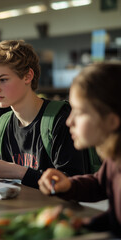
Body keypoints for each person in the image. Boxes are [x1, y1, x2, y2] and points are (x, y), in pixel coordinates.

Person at [0, 40, 89, 189]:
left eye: (3, 79)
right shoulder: (3, 124)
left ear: (27, 76)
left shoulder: (60, 120)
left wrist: (19, 172)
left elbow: (71, 183)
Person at [38, 63, 121, 237]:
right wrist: (69, 185)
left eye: (80, 112)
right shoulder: (114, 159)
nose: (69, 121)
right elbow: (100, 183)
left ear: (112, 121)